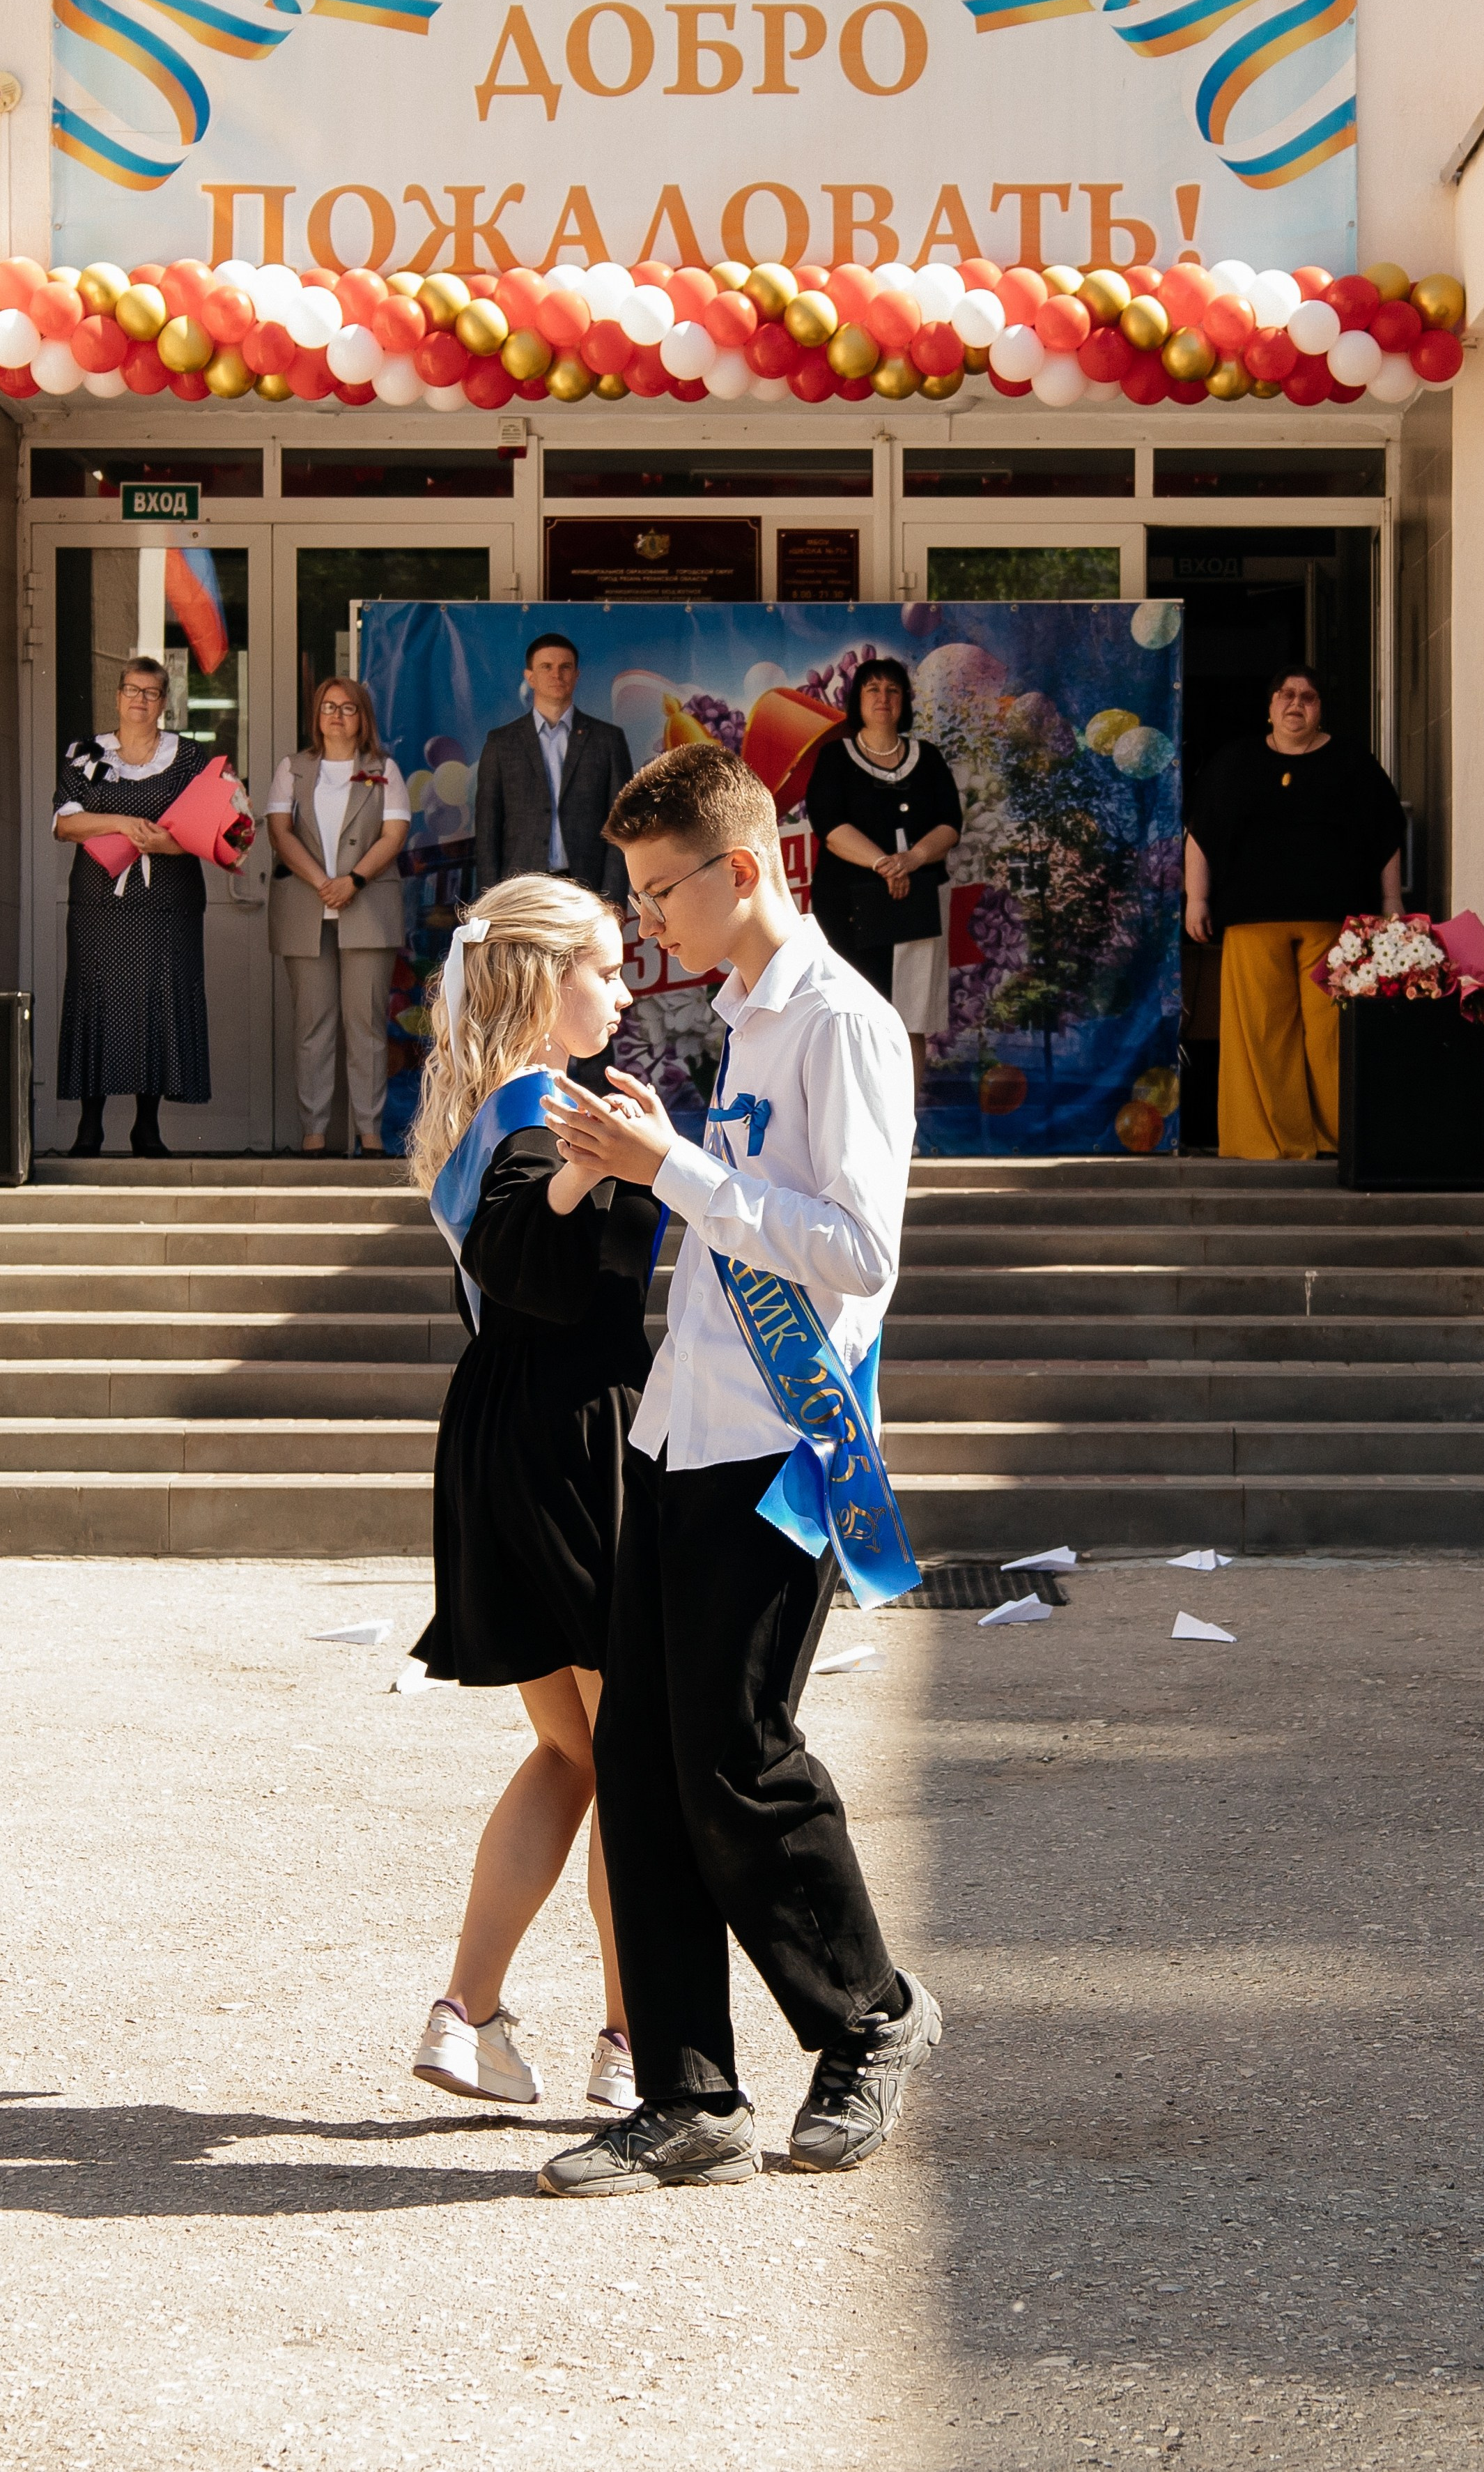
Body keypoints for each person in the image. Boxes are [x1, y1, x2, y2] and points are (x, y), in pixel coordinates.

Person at [536, 742, 941, 2198]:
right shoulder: (735, 1018)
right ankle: (686, 2093)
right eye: (638, 894)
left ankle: (871, 2015)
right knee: (641, 1763)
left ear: (746, 866)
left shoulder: (839, 1023)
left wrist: (679, 1174)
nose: (648, 923)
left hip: (779, 1443)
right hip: (683, 1422)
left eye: (661, 892)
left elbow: (857, 1249)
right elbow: (741, 1218)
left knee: (736, 1754)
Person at [403, 873, 656, 2118]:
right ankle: (633, 2040)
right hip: (574, 1431)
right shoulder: (551, 1112)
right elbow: (544, 1270)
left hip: (498, 1427)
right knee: (627, 1754)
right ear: (539, 975)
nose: (622, 988)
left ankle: (467, 2012)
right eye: (604, 968)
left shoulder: (483, 1104)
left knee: (568, 1748)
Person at [1185, 664, 1405, 1162]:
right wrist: (1196, 899)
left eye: (1307, 697)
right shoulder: (1234, 761)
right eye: (1285, 696)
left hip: (1332, 921)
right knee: (1262, 1032)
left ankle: (1336, 1138)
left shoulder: (1351, 760)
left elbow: (1385, 835)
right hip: (1251, 919)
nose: (1295, 704)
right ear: (1269, 707)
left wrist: (1391, 901)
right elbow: (1200, 833)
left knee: (1330, 1032)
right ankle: (1273, 1143)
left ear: (1319, 707)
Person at [52, 654, 210, 1158]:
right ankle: (89, 1128)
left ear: (164, 702)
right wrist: (121, 823)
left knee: (156, 1005)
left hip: (168, 901)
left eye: (151, 692)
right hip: (101, 902)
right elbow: (64, 825)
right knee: (98, 1001)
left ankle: (148, 1127)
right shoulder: (86, 752)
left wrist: (170, 844)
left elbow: (215, 827)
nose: (139, 700)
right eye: (131, 690)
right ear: (118, 696)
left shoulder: (190, 757)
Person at [266, 677, 410, 1157]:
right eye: (328, 706)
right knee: (312, 1026)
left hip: (366, 908)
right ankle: (314, 1133)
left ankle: (369, 1133)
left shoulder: (383, 767)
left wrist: (353, 881)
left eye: (347, 707)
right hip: (305, 911)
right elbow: (280, 833)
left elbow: (393, 835)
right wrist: (322, 883)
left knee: (365, 1025)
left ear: (361, 716)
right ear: (317, 715)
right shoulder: (293, 768)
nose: (336, 715)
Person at [806, 658, 962, 1096]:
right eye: (873, 689)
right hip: (849, 908)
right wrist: (883, 863)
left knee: (910, 1019)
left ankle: (904, 1124)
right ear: (858, 700)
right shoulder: (835, 757)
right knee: (854, 1018)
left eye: (893, 690)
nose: (883, 698)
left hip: (919, 903)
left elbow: (951, 823)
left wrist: (912, 860)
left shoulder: (927, 758)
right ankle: (854, 1121)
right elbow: (831, 828)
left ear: (904, 702)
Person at [474, 634, 633, 903]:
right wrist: (490, 902)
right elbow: (488, 830)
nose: (556, 674)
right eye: (546, 667)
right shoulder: (501, 743)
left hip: (587, 890)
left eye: (565, 667)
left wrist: (613, 901)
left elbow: (622, 826)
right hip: (520, 890)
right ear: (530, 677)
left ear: (577, 674)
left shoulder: (608, 740)